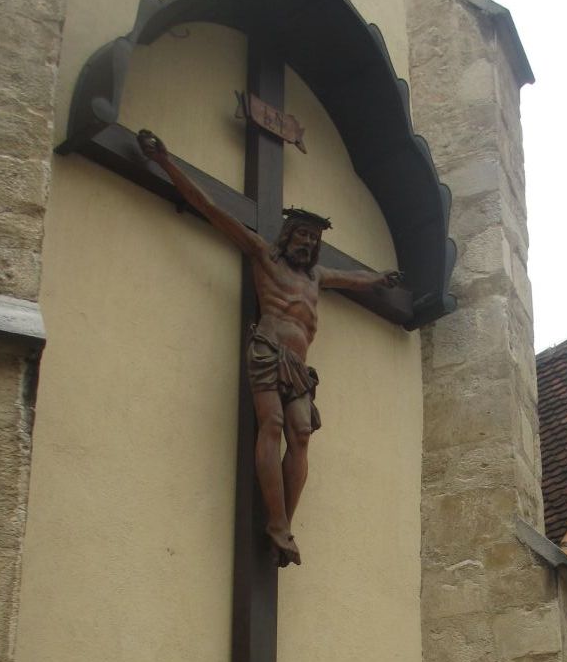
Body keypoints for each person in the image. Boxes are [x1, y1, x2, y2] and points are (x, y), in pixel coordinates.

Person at [137, 129, 400, 566]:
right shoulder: (263, 255)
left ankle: (284, 524)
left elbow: (357, 280)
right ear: (289, 236)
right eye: (303, 239)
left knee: (300, 433)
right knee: (273, 424)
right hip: (266, 349)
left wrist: (380, 279)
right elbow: (211, 208)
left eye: (315, 243)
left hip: (298, 366)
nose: (309, 246)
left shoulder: (317, 278)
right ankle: (275, 521)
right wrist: (165, 162)